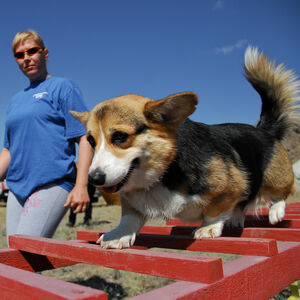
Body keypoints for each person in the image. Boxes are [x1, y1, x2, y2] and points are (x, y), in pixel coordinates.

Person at [0, 30, 92, 246]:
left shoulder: (63, 87)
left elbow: (84, 137)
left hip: (52, 183)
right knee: (14, 258)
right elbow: (8, 150)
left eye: (32, 51)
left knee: (26, 253)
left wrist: (82, 185)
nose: (27, 58)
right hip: (17, 187)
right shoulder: (15, 101)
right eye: (20, 54)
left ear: (45, 53)